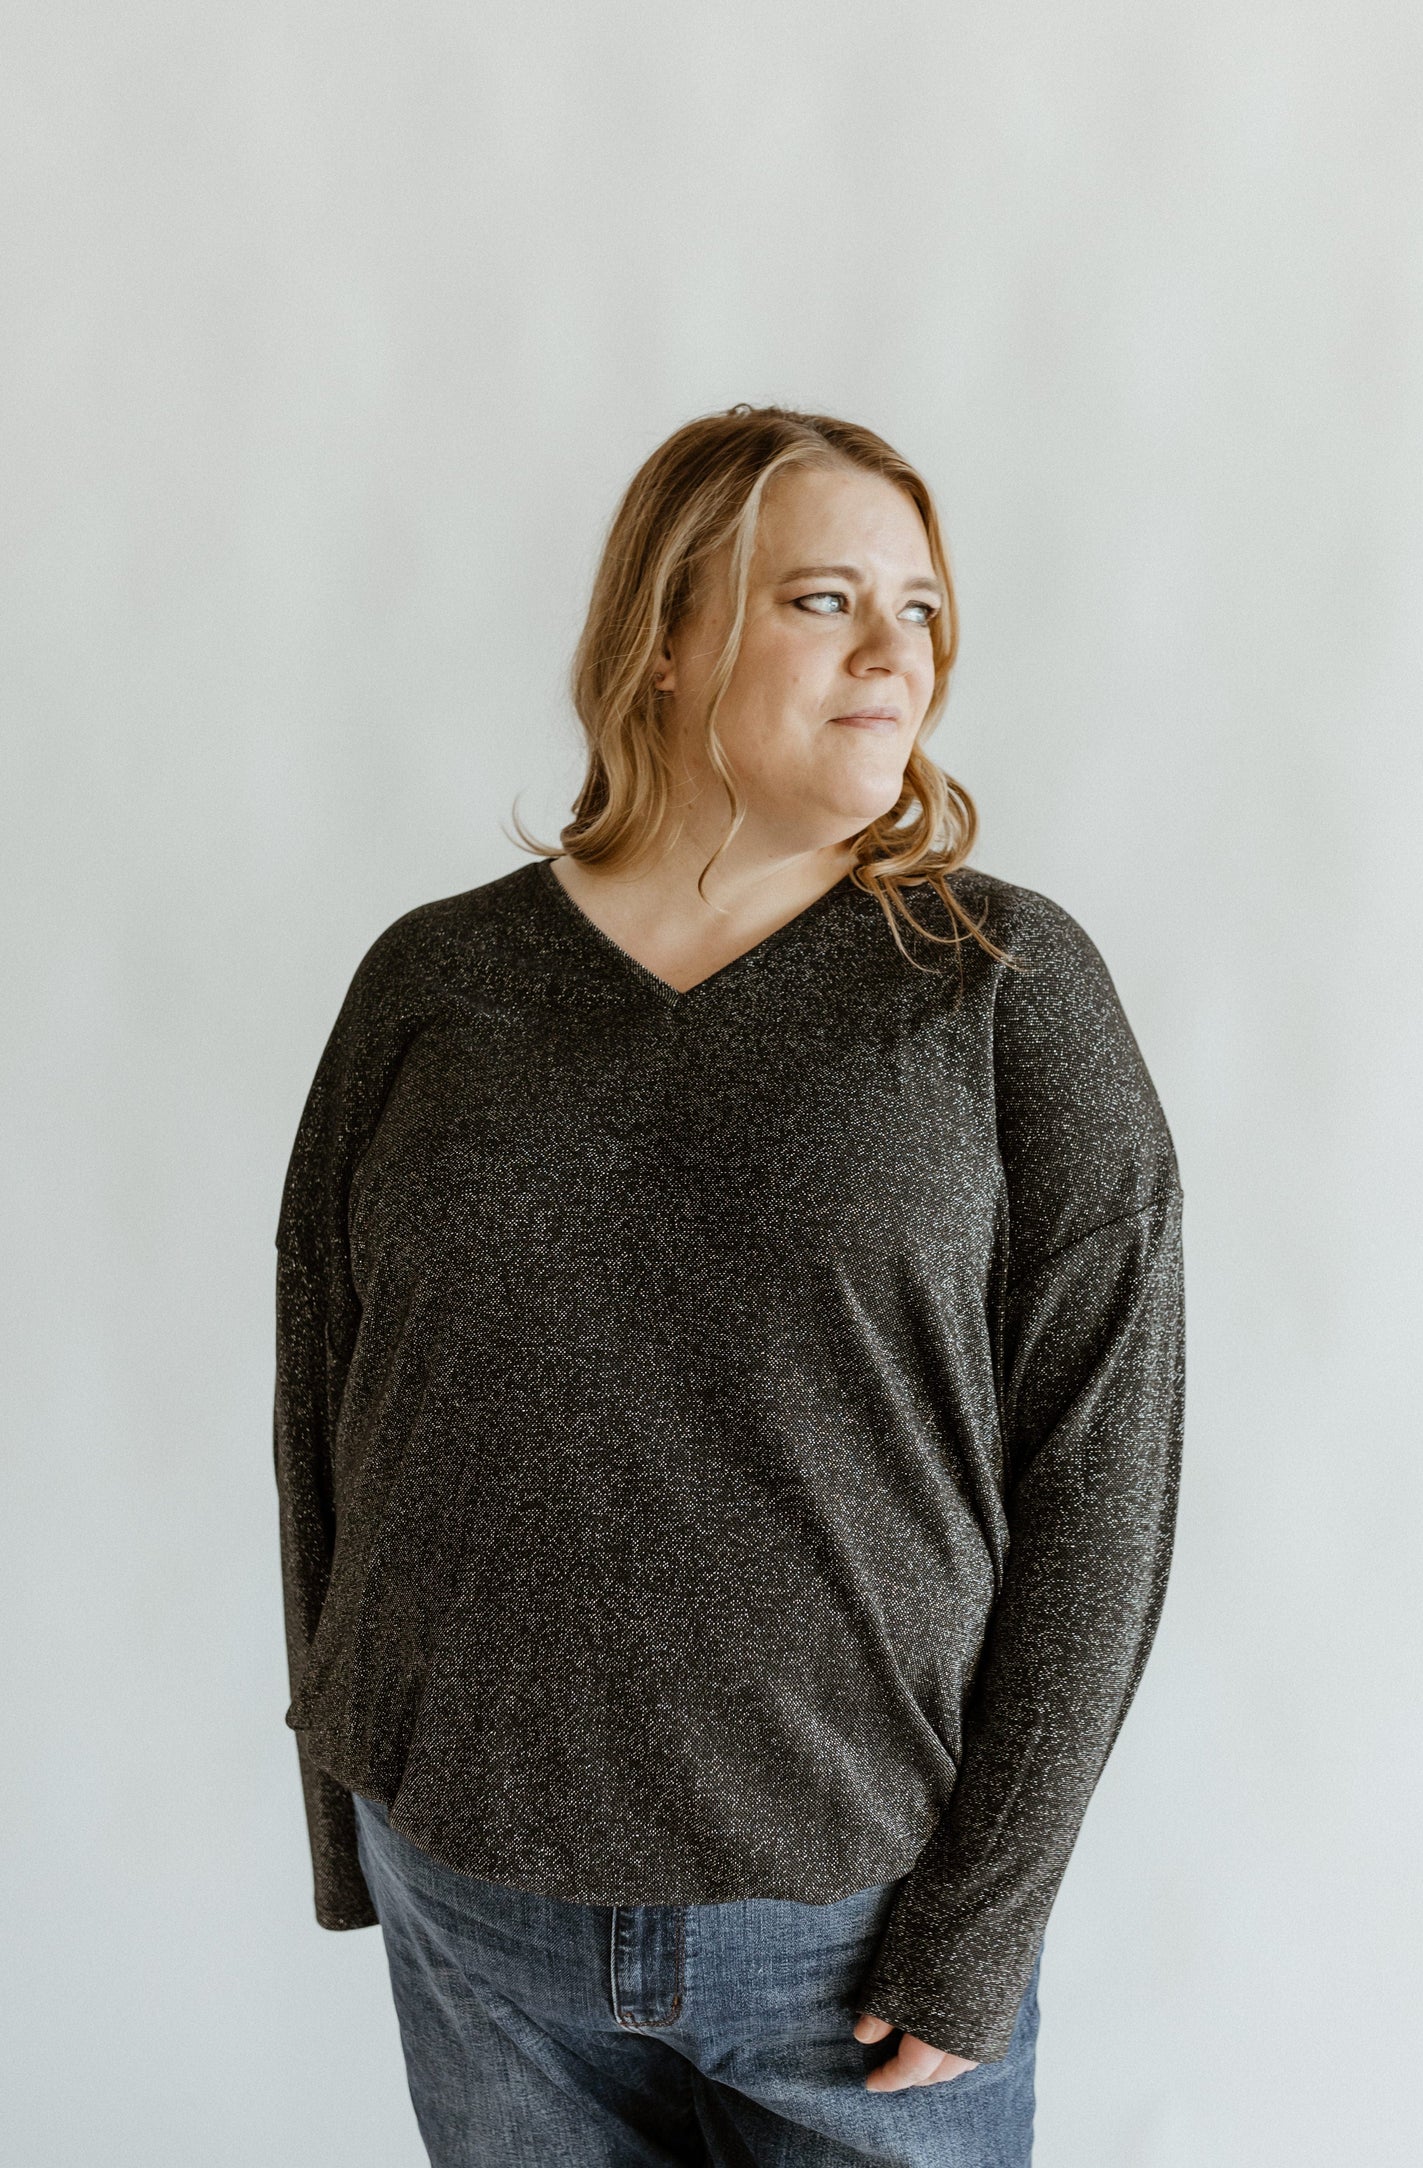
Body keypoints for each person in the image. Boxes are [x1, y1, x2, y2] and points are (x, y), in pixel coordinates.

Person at [272, 403, 1185, 2167]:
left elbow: (1105, 1483)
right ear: (668, 642)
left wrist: (980, 1921)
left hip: (853, 1946)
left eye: (918, 609)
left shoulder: (1001, 989)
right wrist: (347, 1807)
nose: (892, 655)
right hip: (474, 1905)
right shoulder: (434, 983)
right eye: (822, 600)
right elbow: (325, 1384)